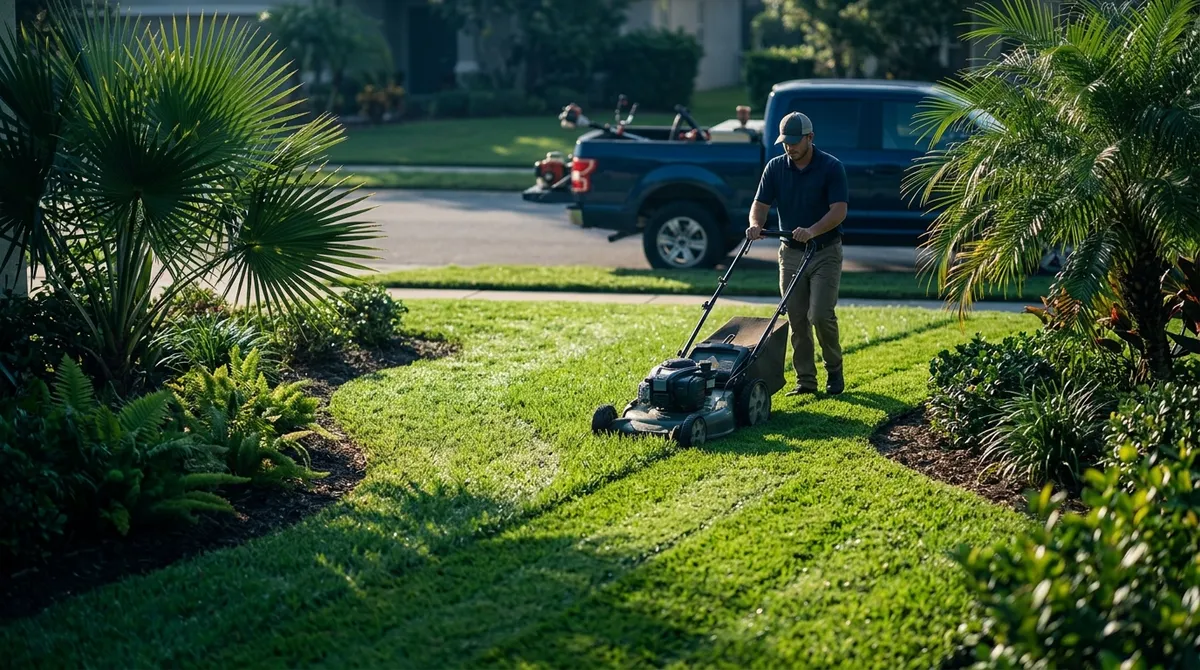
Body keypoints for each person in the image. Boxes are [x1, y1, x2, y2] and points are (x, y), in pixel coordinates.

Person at [746, 111, 848, 396]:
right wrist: (756, 225)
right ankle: (806, 381)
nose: (790, 148)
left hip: (824, 251)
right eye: (785, 143)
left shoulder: (831, 167)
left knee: (820, 315)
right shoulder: (775, 167)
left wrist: (812, 230)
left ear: (810, 138)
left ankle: (834, 370)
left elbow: (839, 210)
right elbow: (760, 204)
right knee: (796, 318)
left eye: (795, 142)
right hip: (791, 254)